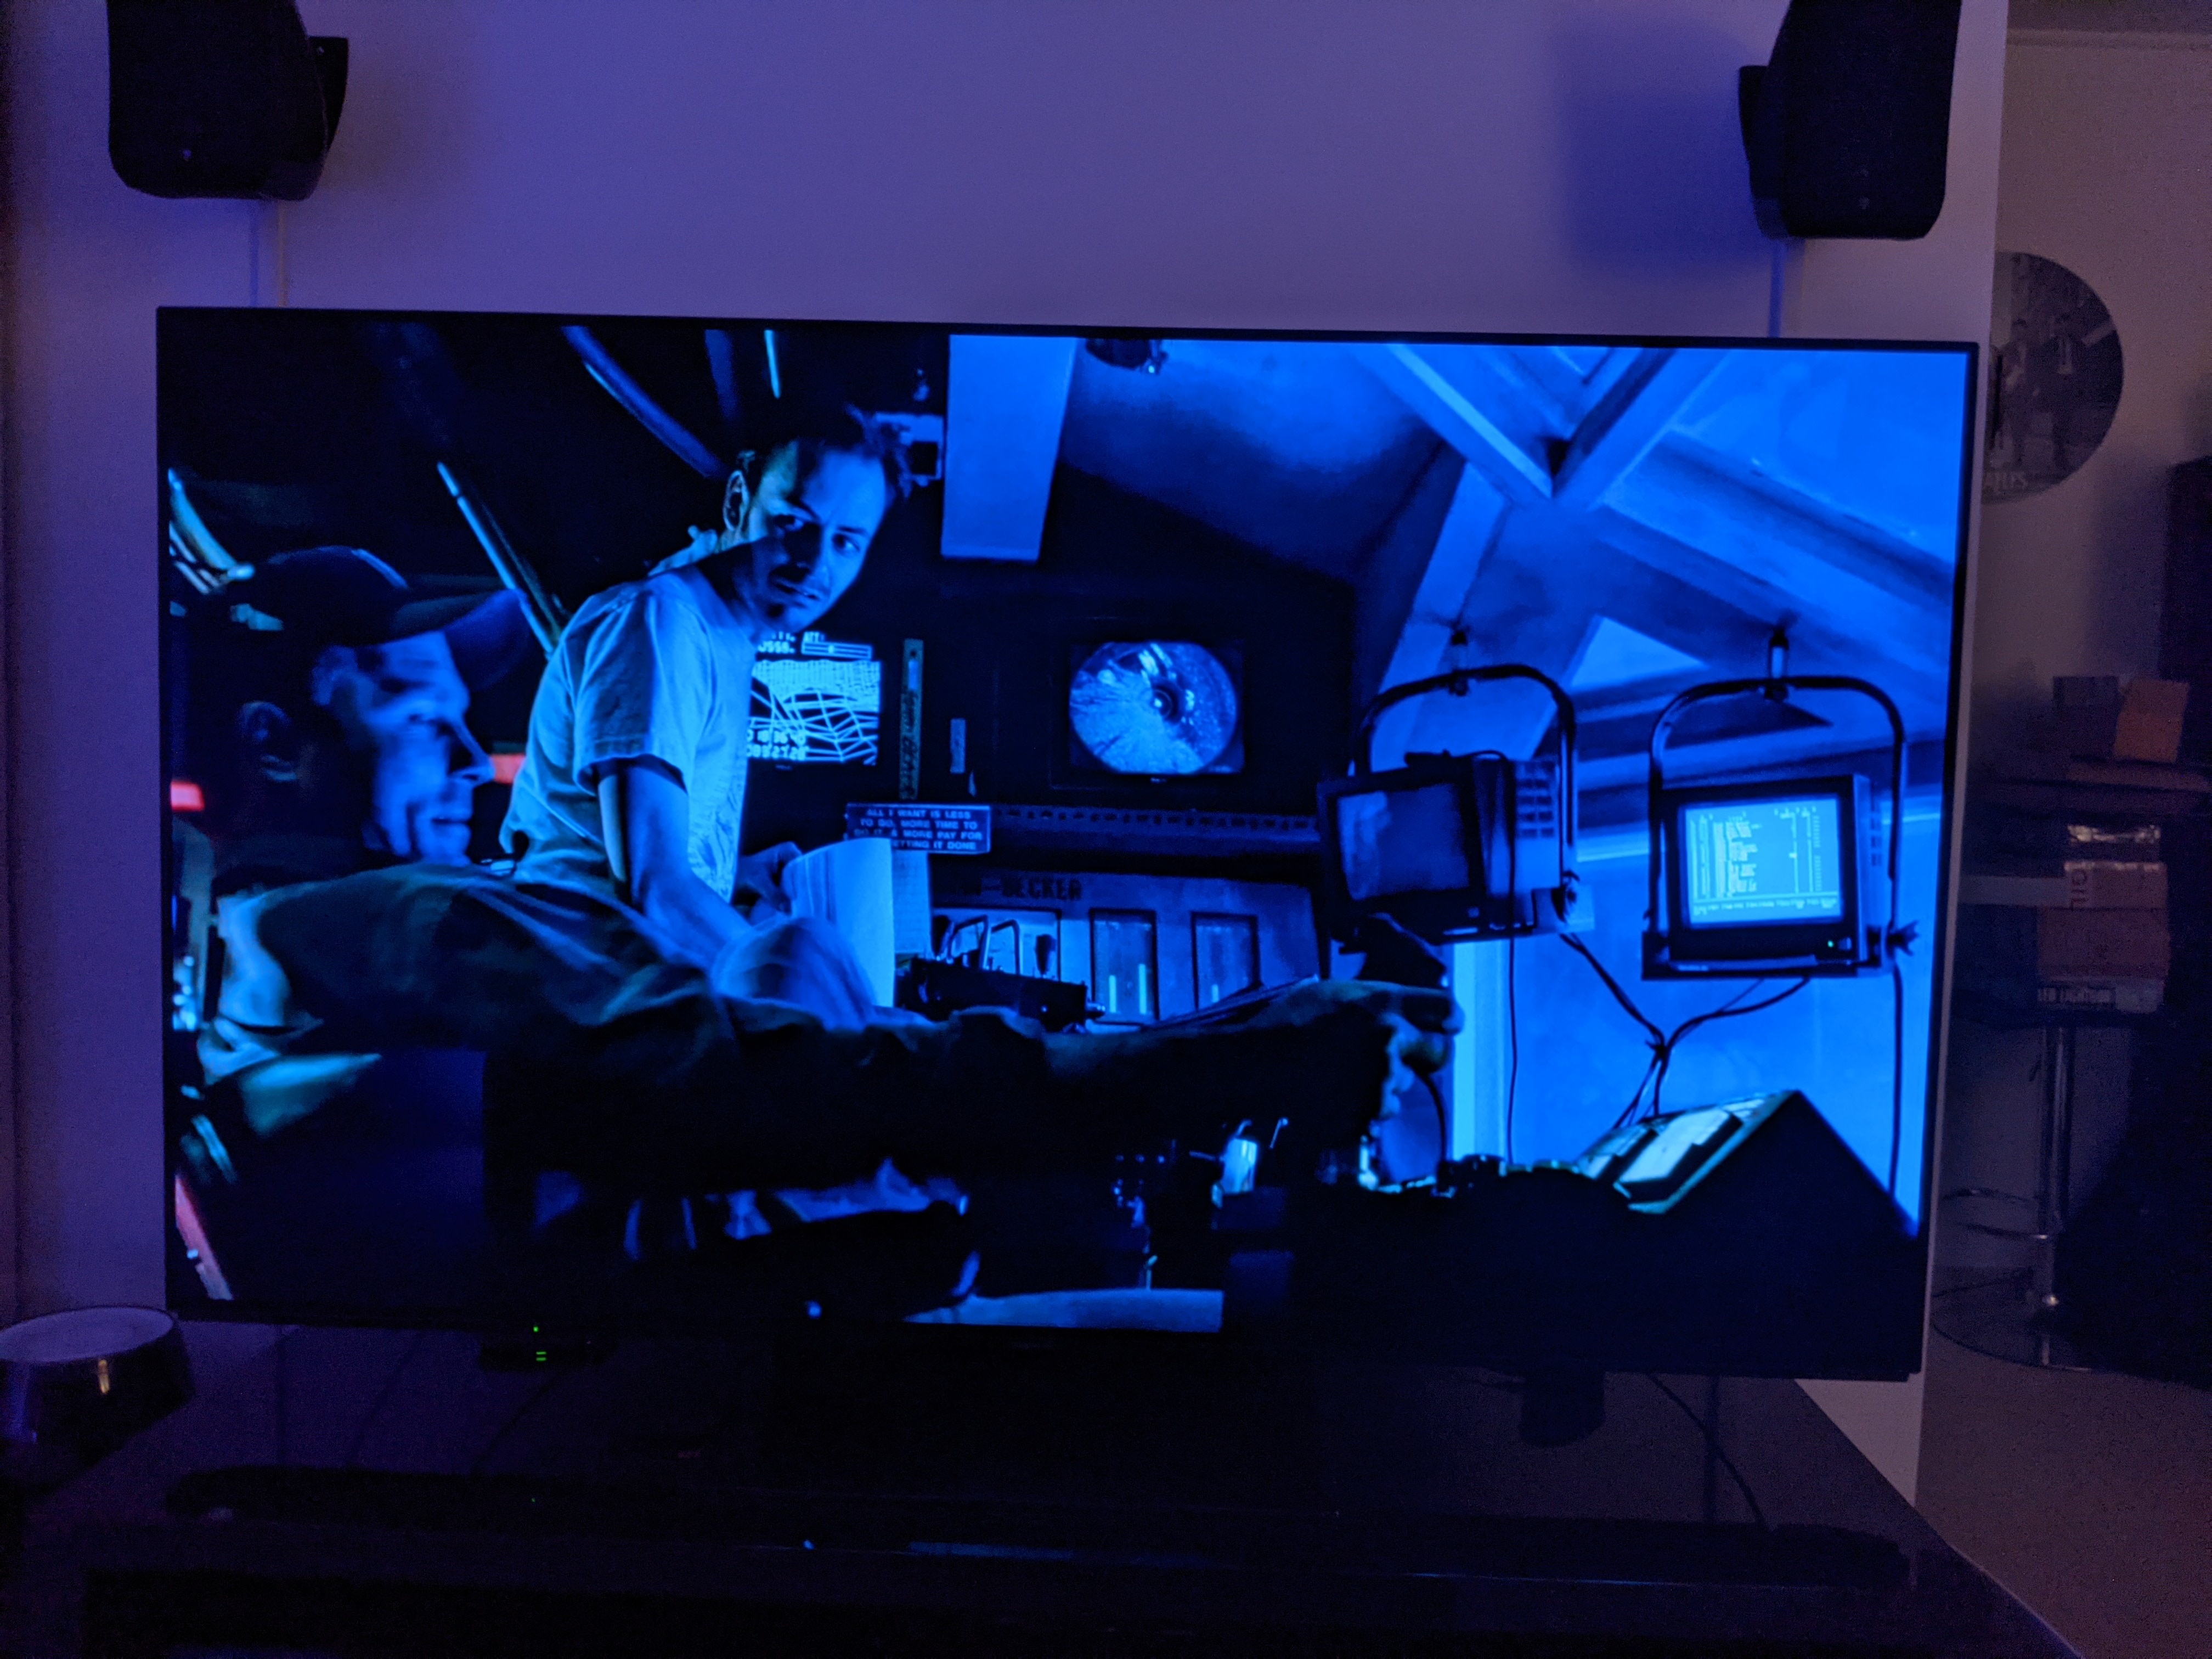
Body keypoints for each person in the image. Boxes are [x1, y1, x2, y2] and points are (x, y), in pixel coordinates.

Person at [500, 405, 900, 1028]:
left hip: (615, 1005)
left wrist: (732, 876)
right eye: (794, 522)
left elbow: (626, 858)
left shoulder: (727, 640)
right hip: (580, 1018)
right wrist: (824, 1010)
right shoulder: (664, 625)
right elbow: (655, 888)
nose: (816, 563)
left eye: (846, 542)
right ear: (738, 499)